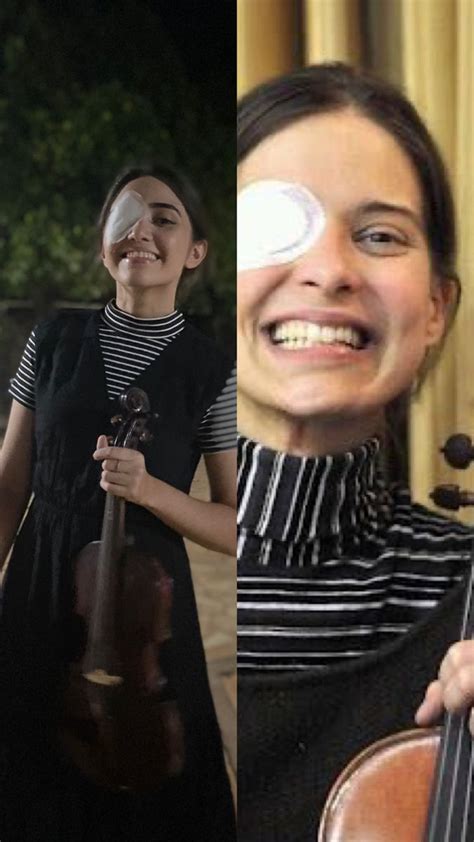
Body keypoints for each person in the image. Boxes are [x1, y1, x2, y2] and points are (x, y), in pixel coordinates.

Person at [237, 63, 474, 841]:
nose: (330, 271)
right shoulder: (86, 582)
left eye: (379, 236)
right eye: (276, 226)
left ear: (437, 307)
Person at [0, 163, 236, 841]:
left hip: (146, 615)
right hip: (41, 587)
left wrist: (154, 491)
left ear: (194, 253)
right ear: (103, 242)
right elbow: (10, 484)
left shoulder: (211, 372)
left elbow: (237, 526)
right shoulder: (50, 342)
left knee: (149, 791)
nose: (141, 230)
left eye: (164, 218)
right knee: (28, 771)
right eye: (124, 217)